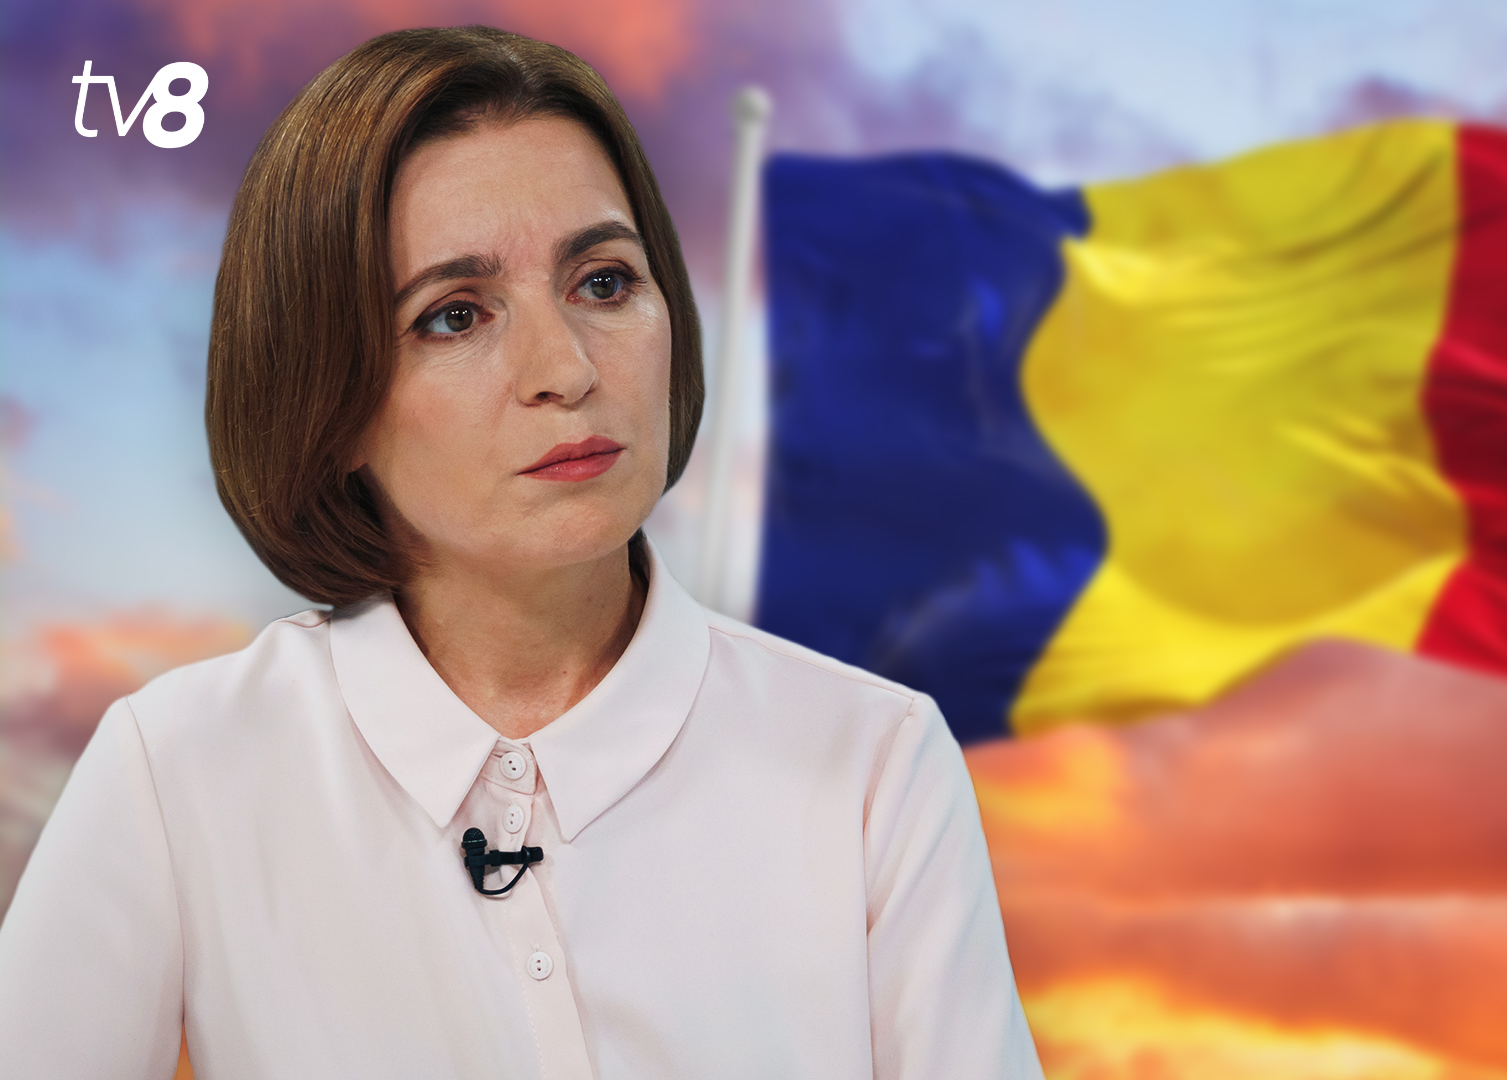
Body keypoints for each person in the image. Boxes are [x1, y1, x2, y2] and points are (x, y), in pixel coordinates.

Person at [0, 25, 1042, 1079]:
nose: (566, 369)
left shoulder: (876, 763)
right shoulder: (178, 769)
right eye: (455, 315)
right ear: (329, 400)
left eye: (603, 282)